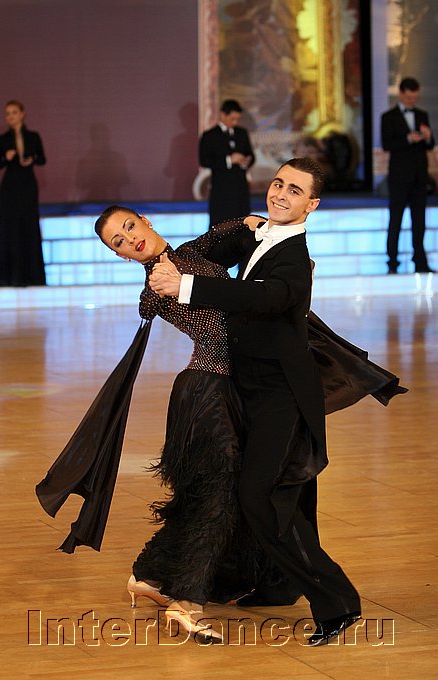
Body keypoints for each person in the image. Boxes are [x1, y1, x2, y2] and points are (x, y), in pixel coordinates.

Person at [36, 197, 406, 646]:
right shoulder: (159, 283)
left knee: (219, 494)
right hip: (208, 393)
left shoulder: (189, 254)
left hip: (233, 388)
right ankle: (186, 602)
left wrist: (251, 224)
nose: (131, 239)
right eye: (119, 242)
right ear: (120, 255)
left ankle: (150, 575)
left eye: (130, 226)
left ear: (145, 220)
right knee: (221, 499)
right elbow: (222, 314)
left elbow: (225, 236)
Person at [149, 158, 364, 646]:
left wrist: (184, 286)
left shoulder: (294, 260)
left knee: (260, 495)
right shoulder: (259, 236)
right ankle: (279, 584)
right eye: (278, 183)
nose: (281, 194)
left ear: (312, 205)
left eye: (295, 190)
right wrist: (234, 227)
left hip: (282, 394)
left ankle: (338, 602)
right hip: (250, 389)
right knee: (284, 494)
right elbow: (201, 251)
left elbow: (263, 299)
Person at [381, 77, 435, 274]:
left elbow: (430, 145)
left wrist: (428, 137)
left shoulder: (422, 115)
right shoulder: (388, 117)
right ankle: (392, 262)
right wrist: (407, 139)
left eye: (415, 97)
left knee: (419, 220)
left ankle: (420, 261)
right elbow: (387, 144)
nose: (413, 100)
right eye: (410, 97)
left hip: (420, 176)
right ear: (401, 94)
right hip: (399, 177)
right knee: (395, 219)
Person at [0, 100, 46, 287]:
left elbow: (42, 159)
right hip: (9, 187)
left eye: (14, 112)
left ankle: (33, 276)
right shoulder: (2, 139)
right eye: (7, 113)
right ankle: (8, 276)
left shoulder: (33, 137)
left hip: (28, 185)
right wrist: (6, 158)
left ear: (22, 114)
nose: (10, 116)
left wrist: (32, 159)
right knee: (10, 228)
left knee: (29, 226)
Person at [199, 99, 255, 229]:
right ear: (223, 115)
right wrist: (229, 160)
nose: (235, 122)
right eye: (232, 119)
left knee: (242, 225)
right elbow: (204, 160)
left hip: (240, 188)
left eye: (237, 119)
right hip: (221, 189)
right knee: (220, 226)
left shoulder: (242, 133)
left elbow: (251, 155)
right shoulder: (209, 136)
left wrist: (246, 161)